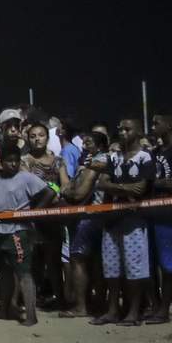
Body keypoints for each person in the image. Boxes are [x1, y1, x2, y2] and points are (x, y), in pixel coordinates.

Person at [92, 119, 154, 326]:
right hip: (112, 219)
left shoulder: (145, 157)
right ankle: (112, 310)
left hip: (134, 220)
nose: (122, 132)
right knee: (111, 268)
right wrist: (126, 188)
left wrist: (115, 186)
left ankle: (134, 312)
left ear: (138, 132)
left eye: (127, 129)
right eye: (120, 129)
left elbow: (142, 188)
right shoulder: (114, 157)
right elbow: (102, 183)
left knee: (134, 267)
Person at [0, 144, 53, 326]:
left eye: (16, 161)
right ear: (1, 161)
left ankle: (31, 315)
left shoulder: (26, 177)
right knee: (4, 272)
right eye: (9, 161)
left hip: (18, 230)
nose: (13, 164)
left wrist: (33, 212)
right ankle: (3, 310)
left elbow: (49, 192)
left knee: (24, 272)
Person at [60, 131, 110, 318]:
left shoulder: (96, 162)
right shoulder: (103, 160)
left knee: (78, 259)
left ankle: (81, 307)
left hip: (89, 217)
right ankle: (99, 304)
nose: (83, 146)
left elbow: (79, 193)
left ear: (99, 145)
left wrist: (67, 191)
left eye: (88, 143)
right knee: (96, 261)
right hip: (101, 216)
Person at [21, 121, 70, 306]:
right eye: (33, 136)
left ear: (47, 138)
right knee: (33, 260)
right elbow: (29, 186)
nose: (37, 139)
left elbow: (65, 184)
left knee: (54, 259)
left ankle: (61, 299)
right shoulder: (25, 161)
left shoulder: (58, 160)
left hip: (53, 216)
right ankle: (32, 301)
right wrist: (51, 192)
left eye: (41, 135)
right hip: (32, 214)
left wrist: (57, 192)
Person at [148, 114, 172, 324]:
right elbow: (148, 181)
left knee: (167, 262)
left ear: (170, 124)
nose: (153, 126)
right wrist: (156, 183)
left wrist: (152, 183)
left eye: (157, 123)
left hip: (169, 213)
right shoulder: (155, 152)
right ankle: (155, 306)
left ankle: (164, 310)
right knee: (151, 262)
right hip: (151, 212)